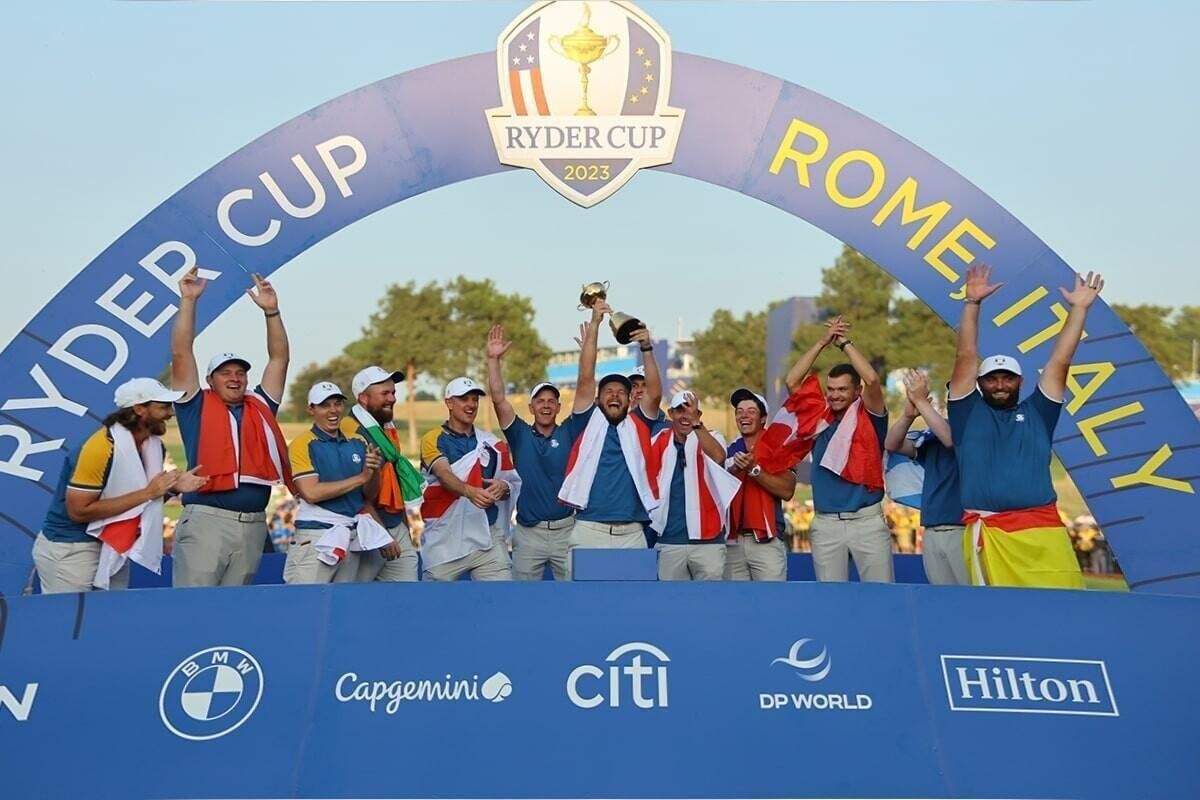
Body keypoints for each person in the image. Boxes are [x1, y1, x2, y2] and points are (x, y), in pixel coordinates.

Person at [948, 263, 1103, 589]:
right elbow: (966, 353)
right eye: (991, 378)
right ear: (980, 382)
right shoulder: (966, 413)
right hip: (990, 537)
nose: (1000, 384)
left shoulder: (1039, 412)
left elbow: (1060, 360)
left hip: (1042, 532)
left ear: (1020, 381)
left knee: (1063, 610)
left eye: (1007, 378)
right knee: (997, 624)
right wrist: (972, 304)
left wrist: (1078, 310)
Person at [170, 265, 292, 587]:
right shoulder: (195, 405)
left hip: (253, 525)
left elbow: (279, 359)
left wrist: (272, 312)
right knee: (193, 610)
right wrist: (188, 301)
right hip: (207, 521)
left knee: (234, 614)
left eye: (240, 372)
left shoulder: (260, 406)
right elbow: (181, 352)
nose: (235, 377)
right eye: (225, 372)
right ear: (210, 380)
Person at [32, 378, 206, 593]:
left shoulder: (154, 446)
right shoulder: (99, 448)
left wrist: (173, 489)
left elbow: (136, 505)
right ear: (139, 409)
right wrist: (148, 492)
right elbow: (78, 512)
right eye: (163, 407)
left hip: (113, 546)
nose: (171, 413)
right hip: (71, 546)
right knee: (70, 622)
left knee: (105, 621)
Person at [558, 303, 667, 576]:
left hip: (632, 533)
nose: (615, 395)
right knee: (580, 608)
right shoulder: (586, 421)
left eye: (622, 391)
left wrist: (646, 347)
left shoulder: (640, 423)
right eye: (608, 391)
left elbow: (654, 394)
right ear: (597, 399)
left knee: (633, 609)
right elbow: (585, 377)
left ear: (631, 399)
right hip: (588, 529)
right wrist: (594, 325)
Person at [784, 316, 892, 583]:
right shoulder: (818, 417)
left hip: (867, 522)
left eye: (842, 389)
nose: (834, 395)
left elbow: (873, 380)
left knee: (882, 599)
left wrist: (844, 343)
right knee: (830, 600)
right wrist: (822, 341)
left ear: (857, 391)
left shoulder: (871, 416)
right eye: (830, 389)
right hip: (827, 523)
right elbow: (792, 381)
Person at [486, 325, 575, 580]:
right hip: (528, 532)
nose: (545, 405)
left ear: (558, 407)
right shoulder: (520, 434)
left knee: (574, 599)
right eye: (540, 401)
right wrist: (494, 360)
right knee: (522, 599)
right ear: (531, 406)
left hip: (566, 530)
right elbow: (498, 399)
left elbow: (585, 391)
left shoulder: (569, 431)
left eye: (551, 401)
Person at [285, 382, 389, 584]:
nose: (333, 410)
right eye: (325, 405)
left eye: (337, 404)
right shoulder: (302, 443)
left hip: (350, 533)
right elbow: (311, 493)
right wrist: (361, 478)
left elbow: (368, 494)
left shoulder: (358, 440)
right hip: (316, 536)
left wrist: (373, 472)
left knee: (342, 606)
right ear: (311, 410)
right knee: (305, 604)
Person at [419, 377, 520, 581]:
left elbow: (511, 480)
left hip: (487, 540)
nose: (471, 405)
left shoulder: (492, 443)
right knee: (434, 607)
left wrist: (504, 487)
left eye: (474, 399)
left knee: (501, 604)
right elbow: (443, 474)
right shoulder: (433, 438)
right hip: (445, 540)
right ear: (449, 402)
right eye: (464, 399)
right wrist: (469, 491)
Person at [343, 366, 425, 582]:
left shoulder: (385, 429)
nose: (392, 399)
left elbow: (395, 483)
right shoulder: (350, 431)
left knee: (407, 596)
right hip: (364, 530)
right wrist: (382, 534)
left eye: (393, 393)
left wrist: (403, 528)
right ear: (363, 397)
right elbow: (356, 494)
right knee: (357, 600)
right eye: (385, 394)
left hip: (392, 526)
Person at [883, 370, 967, 585]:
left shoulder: (978, 430)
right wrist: (909, 416)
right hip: (932, 527)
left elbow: (950, 439)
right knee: (941, 598)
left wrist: (921, 403)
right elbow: (892, 445)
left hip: (964, 528)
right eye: (952, 394)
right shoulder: (934, 436)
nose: (954, 400)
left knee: (971, 598)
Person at [649, 392, 742, 581]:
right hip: (668, 541)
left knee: (711, 604)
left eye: (691, 411)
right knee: (671, 605)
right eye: (680, 410)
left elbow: (718, 457)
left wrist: (696, 424)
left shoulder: (712, 436)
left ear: (698, 414)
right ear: (670, 413)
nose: (686, 415)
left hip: (708, 541)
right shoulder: (658, 440)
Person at [724, 388, 798, 581]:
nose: (744, 416)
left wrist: (754, 470)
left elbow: (787, 490)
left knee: (772, 605)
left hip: (767, 541)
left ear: (764, 419)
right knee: (737, 607)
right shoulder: (731, 448)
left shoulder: (778, 447)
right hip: (733, 542)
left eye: (751, 411)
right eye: (739, 411)